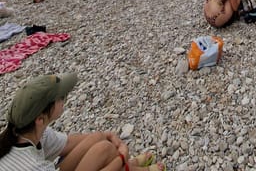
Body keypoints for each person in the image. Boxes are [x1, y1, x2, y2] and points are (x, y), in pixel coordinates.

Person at [0, 72, 164, 171]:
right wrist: (121, 158)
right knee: (106, 151)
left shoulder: (27, 132)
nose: (64, 100)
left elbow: (69, 143)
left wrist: (106, 135)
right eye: (61, 98)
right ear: (40, 119)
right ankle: (132, 167)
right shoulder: (33, 166)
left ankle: (129, 165)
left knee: (102, 143)